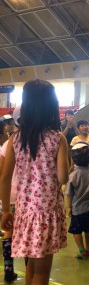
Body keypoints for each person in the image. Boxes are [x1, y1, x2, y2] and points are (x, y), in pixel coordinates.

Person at [0, 79, 69, 285]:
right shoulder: (58, 138)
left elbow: (4, 178)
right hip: (47, 213)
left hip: (24, 212)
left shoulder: (15, 139)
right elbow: (63, 177)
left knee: (31, 264)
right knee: (42, 272)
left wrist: (5, 210)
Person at [66, 142, 89, 259]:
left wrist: (68, 208)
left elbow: (69, 193)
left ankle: (81, 250)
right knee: (88, 231)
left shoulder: (73, 176)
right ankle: (88, 249)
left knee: (76, 232)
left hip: (78, 210)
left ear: (74, 160)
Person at [0, 106, 20, 282]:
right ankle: (31, 268)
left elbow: (2, 172)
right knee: (31, 231)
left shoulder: (9, 143)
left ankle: (8, 267)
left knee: (9, 231)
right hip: (30, 196)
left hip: (11, 195)